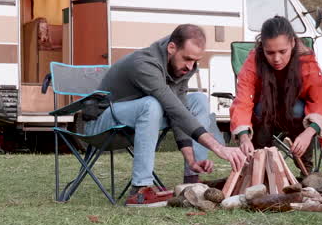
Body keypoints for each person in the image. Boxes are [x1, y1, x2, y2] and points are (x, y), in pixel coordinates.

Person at [87, 24, 248, 207]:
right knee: (152, 104)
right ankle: (140, 189)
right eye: (187, 58)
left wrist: (190, 157)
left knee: (198, 100)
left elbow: (180, 107)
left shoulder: (181, 66)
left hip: (136, 122)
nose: (190, 66)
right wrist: (219, 148)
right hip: (102, 122)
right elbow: (173, 108)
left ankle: (192, 180)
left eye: (195, 61)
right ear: (172, 48)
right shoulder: (144, 63)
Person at [229, 16, 322, 162]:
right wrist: (243, 137)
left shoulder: (305, 61)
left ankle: (306, 163)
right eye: (270, 53)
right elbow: (243, 99)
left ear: (293, 43)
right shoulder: (254, 61)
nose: (277, 59)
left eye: (282, 51)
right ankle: (259, 160)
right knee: (260, 108)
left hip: (297, 116)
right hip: (264, 114)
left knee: (298, 108)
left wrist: (309, 132)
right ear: (262, 47)